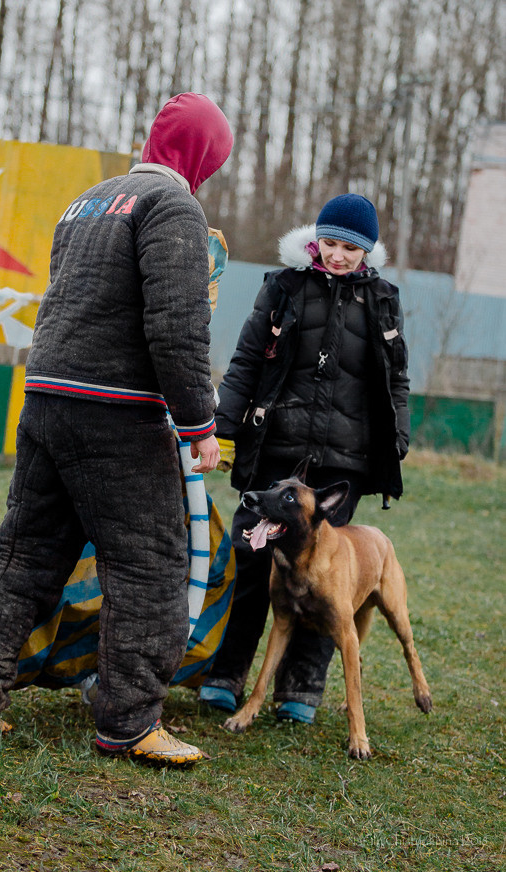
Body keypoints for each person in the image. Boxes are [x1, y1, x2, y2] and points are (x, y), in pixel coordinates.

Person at [0, 92, 233, 766]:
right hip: (114, 412)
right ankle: (129, 723)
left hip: (45, 396)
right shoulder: (174, 208)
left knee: (24, 553)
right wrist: (198, 425)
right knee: (152, 564)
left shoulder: (88, 201)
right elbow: (176, 327)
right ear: (201, 156)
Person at [199, 193, 410, 723]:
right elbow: (247, 359)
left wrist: (396, 440)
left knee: (330, 575)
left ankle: (301, 688)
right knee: (252, 558)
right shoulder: (284, 287)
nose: (337, 256)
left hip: (344, 462)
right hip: (279, 450)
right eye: (330, 243)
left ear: (367, 251)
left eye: (349, 248)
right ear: (316, 240)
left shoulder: (383, 299)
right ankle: (227, 674)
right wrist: (223, 430)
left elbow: (395, 379)